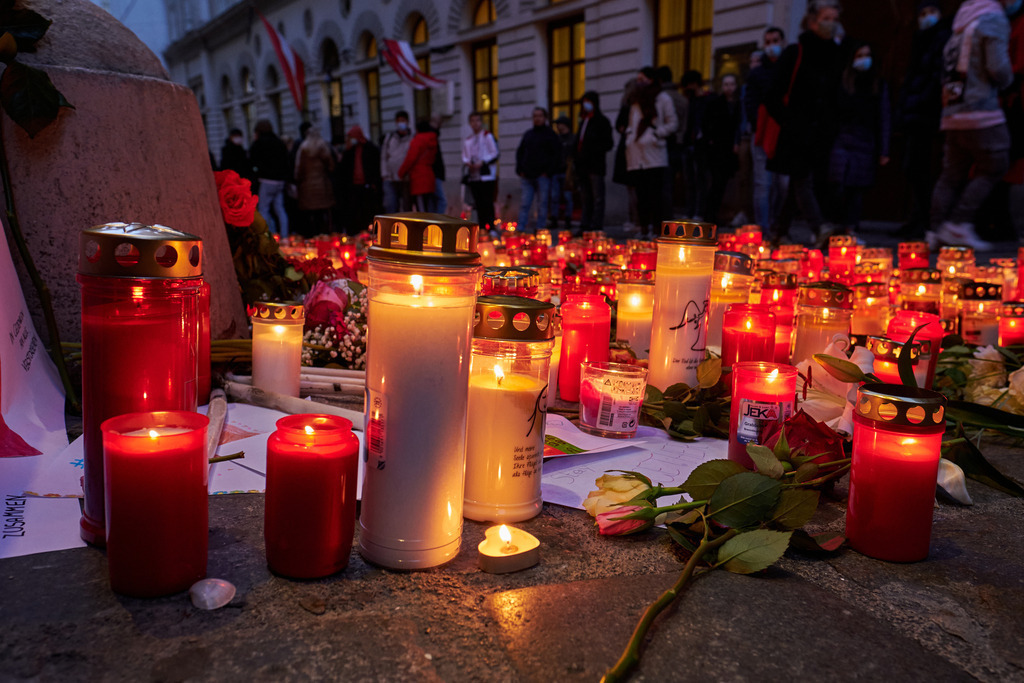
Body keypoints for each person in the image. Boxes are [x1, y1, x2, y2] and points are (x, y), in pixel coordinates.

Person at [928, 0, 1015, 250]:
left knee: (950, 175)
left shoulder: (962, 21)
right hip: (981, 110)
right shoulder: (993, 19)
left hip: (952, 110)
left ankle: (935, 230)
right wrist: (1007, 81)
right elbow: (998, 66)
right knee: (995, 166)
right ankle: (959, 223)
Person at [765, 0, 846, 247]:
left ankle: (779, 232)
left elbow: (836, 94)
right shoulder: (795, 52)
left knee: (798, 184)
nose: (830, 23)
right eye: (826, 18)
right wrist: (790, 122)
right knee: (802, 178)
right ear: (812, 21)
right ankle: (819, 227)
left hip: (820, 134)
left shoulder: (835, 54)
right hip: (796, 131)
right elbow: (772, 95)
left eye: (834, 18)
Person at [894, 2, 952, 238]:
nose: (926, 18)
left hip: (929, 115)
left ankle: (928, 222)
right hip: (915, 114)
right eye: (922, 14)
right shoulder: (919, 41)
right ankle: (917, 218)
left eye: (931, 13)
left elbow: (935, 75)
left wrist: (922, 100)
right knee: (913, 168)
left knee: (926, 169)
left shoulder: (941, 40)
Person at [827, 43, 891, 234]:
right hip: (843, 138)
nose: (863, 59)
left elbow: (884, 116)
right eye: (859, 55)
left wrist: (884, 150)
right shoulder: (844, 83)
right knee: (837, 183)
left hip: (865, 141)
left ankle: (850, 227)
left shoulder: (877, 85)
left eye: (867, 55)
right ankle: (835, 222)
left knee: (856, 188)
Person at [745, 26, 790, 229]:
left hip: (784, 134)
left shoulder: (788, 70)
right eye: (768, 42)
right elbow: (750, 102)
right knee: (763, 184)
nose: (772, 46)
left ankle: (776, 224)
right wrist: (758, 124)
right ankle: (762, 229)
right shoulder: (757, 74)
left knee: (783, 184)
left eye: (776, 41)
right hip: (762, 134)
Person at [625, 67, 678, 237]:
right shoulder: (635, 100)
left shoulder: (662, 99)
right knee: (641, 196)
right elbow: (632, 124)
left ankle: (657, 229)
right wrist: (629, 137)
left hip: (654, 153)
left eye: (643, 78)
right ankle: (643, 228)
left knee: (656, 195)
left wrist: (656, 134)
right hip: (637, 154)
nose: (640, 82)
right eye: (638, 78)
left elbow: (672, 123)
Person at [704, 73, 743, 226]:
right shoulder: (715, 104)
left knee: (724, 184)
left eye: (731, 84)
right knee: (716, 184)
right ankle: (711, 215)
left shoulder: (738, 104)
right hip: (718, 150)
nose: (729, 88)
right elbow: (708, 124)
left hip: (729, 150)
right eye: (726, 84)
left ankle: (719, 214)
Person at [515, 107, 561, 233]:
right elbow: (520, 152)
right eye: (535, 116)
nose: (537, 118)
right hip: (527, 175)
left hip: (543, 175)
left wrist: (549, 172)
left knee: (542, 204)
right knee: (525, 203)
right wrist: (520, 169)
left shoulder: (550, 135)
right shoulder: (528, 134)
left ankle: (540, 229)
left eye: (540, 116)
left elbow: (556, 155)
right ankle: (520, 229)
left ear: (545, 118)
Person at [574, 91, 614, 234]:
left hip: (595, 166)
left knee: (597, 198)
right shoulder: (584, 121)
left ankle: (596, 226)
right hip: (583, 167)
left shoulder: (602, 121)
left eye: (588, 102)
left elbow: (608, 143)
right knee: (586, 199)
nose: (586, 105)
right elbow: (578, 143)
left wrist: (593, 149)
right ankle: (585, 225)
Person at [249, 119, 291, 238]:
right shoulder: (279, 142)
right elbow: (286, 161)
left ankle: (267, 237)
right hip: (279, 181)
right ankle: (284, 235)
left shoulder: (259, 143)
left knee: (264, 209)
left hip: (266, 180)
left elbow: (253, 161)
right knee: (279, 208)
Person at [657, 66, 689, 218]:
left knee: (665, 184)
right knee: (677, 183)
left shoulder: (661, 98)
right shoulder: (681, 98)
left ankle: (665, 218)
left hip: (666, 143)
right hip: (680, 143)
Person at [338, 125, 381, 235]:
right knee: (355, 213)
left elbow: (375, 167)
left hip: (367, 187)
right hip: (353, 187)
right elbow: (343, 170)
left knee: (367, 212)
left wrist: (373, 183)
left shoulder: (371, 149)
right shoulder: (349, 151)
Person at [462, 111, 500, 233]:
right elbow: (465, 156)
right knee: (478, 203)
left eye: (477, 120)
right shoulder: (468, 139)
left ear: (481, 122)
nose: (475, 123)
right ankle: (483, 227)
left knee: (487, 202)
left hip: (486, 176)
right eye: (472, 121)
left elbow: (494, 153)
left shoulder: (487, 136)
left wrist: (482, 162)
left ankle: (491, 227)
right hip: (474, 176)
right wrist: (469, 163)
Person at [294, 126, 336, 236]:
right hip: (322, 185)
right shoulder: (323, 146)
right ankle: (325, 236)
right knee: (322, 214)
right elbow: (331, 165)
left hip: (307, 187)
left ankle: (312, 238)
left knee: (310, 215)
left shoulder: (303, 147)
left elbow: (299, 168)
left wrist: (298, 181)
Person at [680, 70, 710, 220]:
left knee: (700, 180)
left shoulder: (707, 100)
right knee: (690, 180)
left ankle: (699, 211)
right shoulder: (690, 101)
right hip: (689, 144)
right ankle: (691, 210)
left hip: (701, 146)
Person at [399, 119, 439, 213]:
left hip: (418, 178)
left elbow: (410, 158)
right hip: (429, 175)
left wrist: (401, 172)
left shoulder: (418, 140)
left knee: (422, 211)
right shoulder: (432, 139)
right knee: (428, 207)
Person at [381, 110, 413, 213]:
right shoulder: (389, 138)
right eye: (399, 121)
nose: (401, 123)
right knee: (390, 205)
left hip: (406, 179)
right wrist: (384, 174)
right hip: (390, 178)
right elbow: (384, 157)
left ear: (407, 122)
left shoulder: (412, 137)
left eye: (403, 120)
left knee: (406, 207)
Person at [548, 115, 575, 230]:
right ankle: (554, 218)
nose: (558, 126)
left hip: (567, 172)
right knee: (555, 197)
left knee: (568, 196)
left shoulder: (572, 138)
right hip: (555, 171)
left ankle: (568, 219)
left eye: (560, 124)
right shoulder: (556, 139)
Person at [430, 115, 448, 215]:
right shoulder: (431, 136)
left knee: (434, 201)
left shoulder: (434, 136)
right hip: (433, 174)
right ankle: (436, 223)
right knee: (441, 201)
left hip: (435, 174)